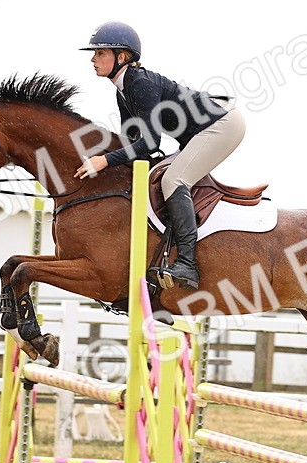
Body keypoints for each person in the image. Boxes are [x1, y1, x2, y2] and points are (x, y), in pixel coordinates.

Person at [73, 21, 245, 290]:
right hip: (198, 133)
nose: (93, 60)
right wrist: (101, 157)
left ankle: (188, 264)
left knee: (173, 181)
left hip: (221, 126)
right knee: (158, 175)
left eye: (100, 53)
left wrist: (104, 161)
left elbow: (149, 143)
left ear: (122, 57)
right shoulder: (124, 92)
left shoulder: (139, 84)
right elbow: (131, 144)